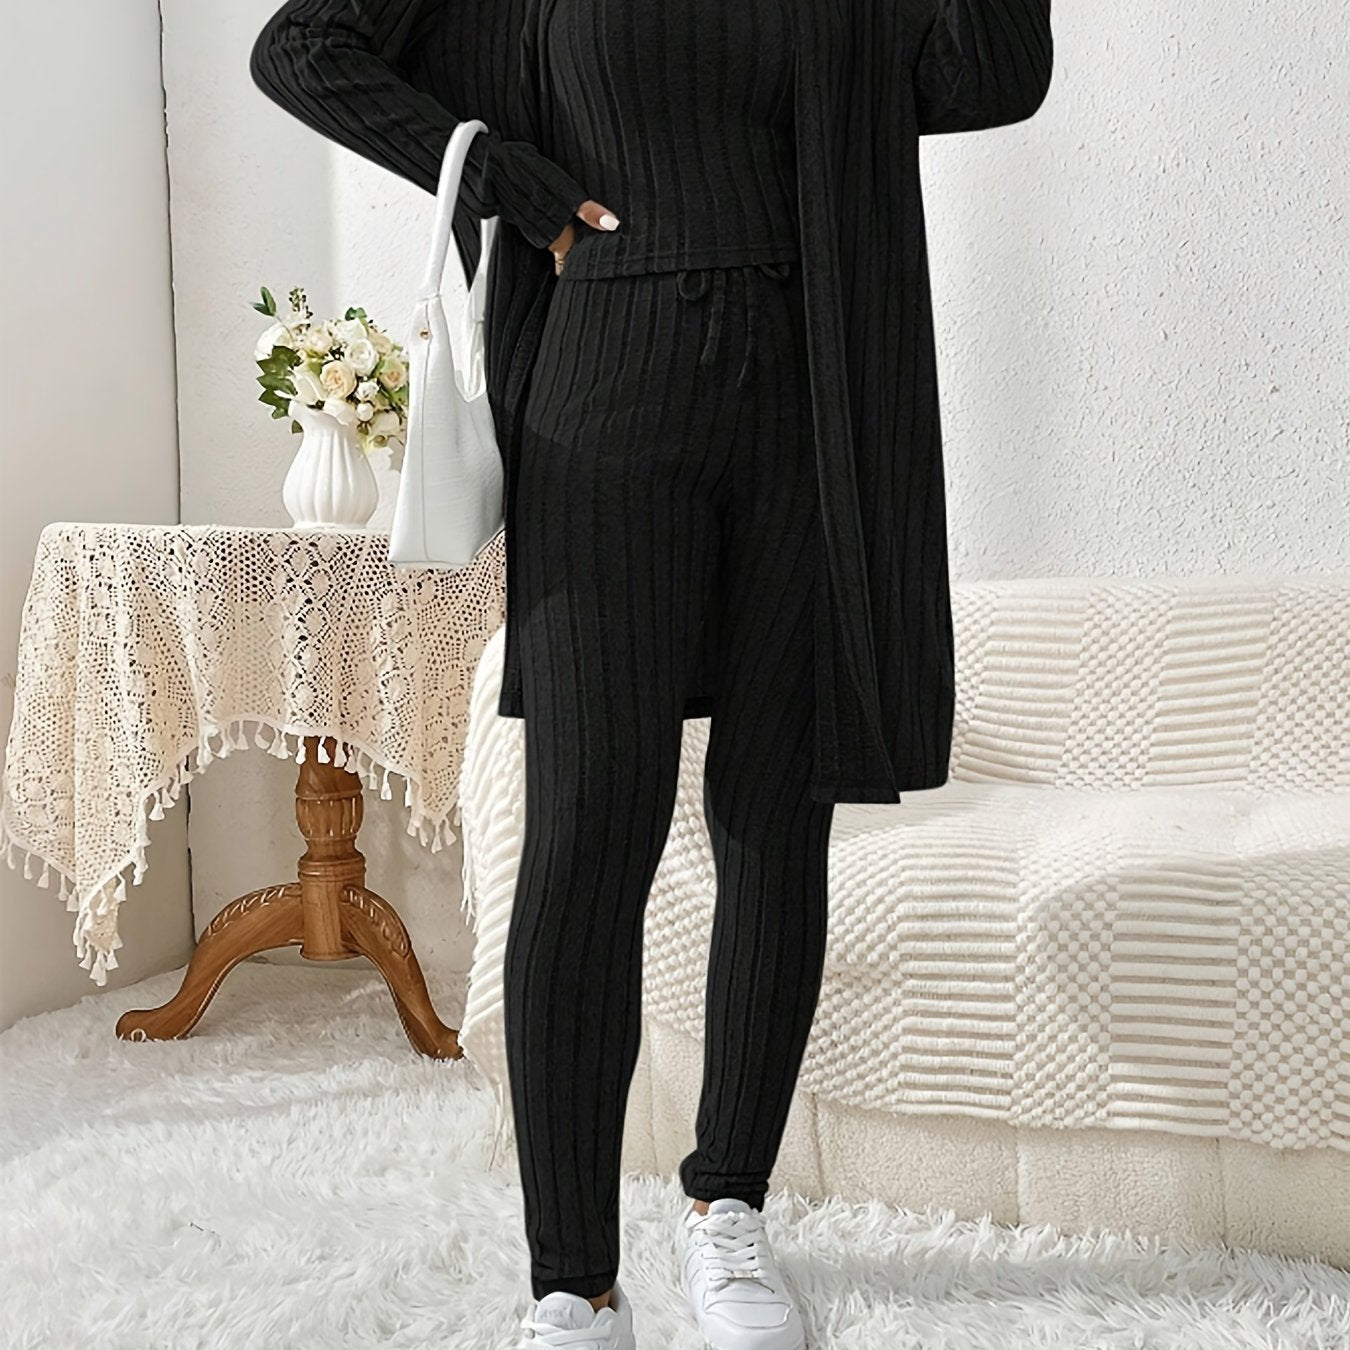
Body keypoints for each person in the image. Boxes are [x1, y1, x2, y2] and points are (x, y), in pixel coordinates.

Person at [250, 2, 1053, 1346]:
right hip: (605, 400)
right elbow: (303, 48)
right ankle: (573, 1281)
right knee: (586, 833)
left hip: (811, 408)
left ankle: (727, 1206)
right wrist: (504, 178)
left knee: (775, 819)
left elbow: (995, 75)